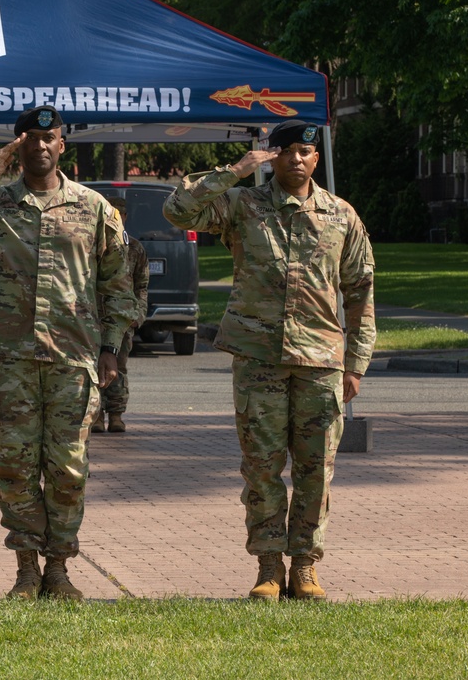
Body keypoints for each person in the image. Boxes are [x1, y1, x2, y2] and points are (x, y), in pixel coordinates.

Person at [0, 105, 137, 601]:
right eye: (29, 138)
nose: (40, 146)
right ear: (17, 144)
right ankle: (25, 570)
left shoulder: (94, 208)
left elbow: (118, 285)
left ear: (62, 145)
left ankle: (58, 568)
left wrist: (111, 349)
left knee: (67, 468)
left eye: (49, 138)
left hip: (72, 359)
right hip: (11, 358)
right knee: (14, 465)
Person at [162, 120, 376, 601]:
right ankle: (267, 568)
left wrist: (357, 363)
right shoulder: (243, 206)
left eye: (305, 151)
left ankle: (304, 566)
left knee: (315, 467)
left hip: (321, 360)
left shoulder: (341, 215)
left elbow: (360, 291)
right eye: (287, 152)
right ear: (272, 157)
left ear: (316, 158)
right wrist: (235, 170)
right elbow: (178, 209)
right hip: (258, 357)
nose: (296, 159)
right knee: (261, 466)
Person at [92, 196, 149, 434]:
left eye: (121, 214)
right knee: (93, 367)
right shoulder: (95, 243)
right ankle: (95, 416)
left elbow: (142, 285)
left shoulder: (134, 247)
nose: (118, 218)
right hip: (94, 316)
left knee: (119, 368)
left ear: (125, 217)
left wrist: (139, 313)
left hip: (122, 319)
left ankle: (116, 415)